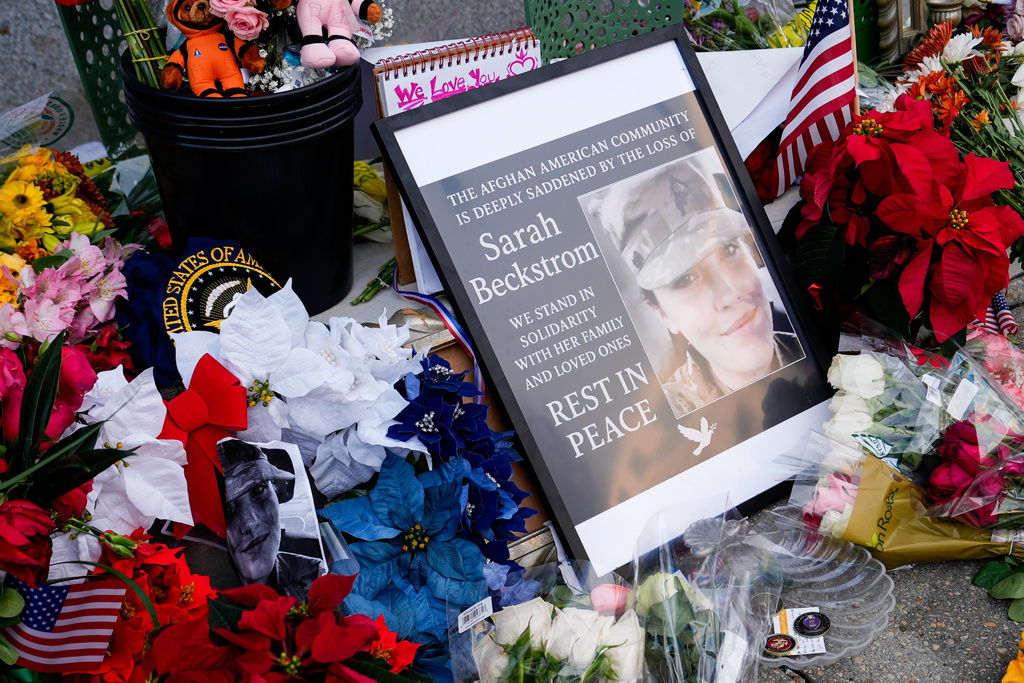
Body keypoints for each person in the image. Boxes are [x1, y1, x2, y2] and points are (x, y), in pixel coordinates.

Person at [588, 155, 802, 416]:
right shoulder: (660, 425)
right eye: (684, 279)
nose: (729, 295)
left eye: (729, 248)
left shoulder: (820, 358)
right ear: (662, 314)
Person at [219, 439, 323, 599]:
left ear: (277, 491)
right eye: (227, 508)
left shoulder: (316, 574)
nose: (250, 523)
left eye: (259, 490)